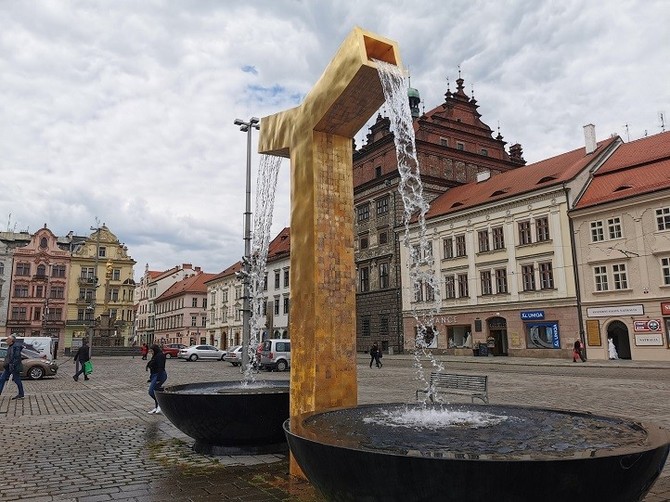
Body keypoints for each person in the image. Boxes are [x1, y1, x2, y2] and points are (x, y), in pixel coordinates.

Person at [0, 335, 25, 400]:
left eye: (7, 339)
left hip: (13, 367)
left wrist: (13, 365)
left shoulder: (15, 347)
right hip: (8, 366)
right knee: (2, 379)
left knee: (17, 380)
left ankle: (21, 394)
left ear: (11, 340)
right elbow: (9, 357)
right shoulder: (11, 346)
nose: (6, 340)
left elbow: (17, 357)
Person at [146, 344, 167, 414]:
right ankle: (156, 407)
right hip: (155, 375)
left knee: (151, 391)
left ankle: (160, 405)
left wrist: (158, 378)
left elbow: (160, 367)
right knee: (155, 391)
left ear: (155, 349)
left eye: (152, 351)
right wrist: (151, 378)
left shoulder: (160, 356)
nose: (151, 352)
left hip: (159, 375)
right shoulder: (155, 355)